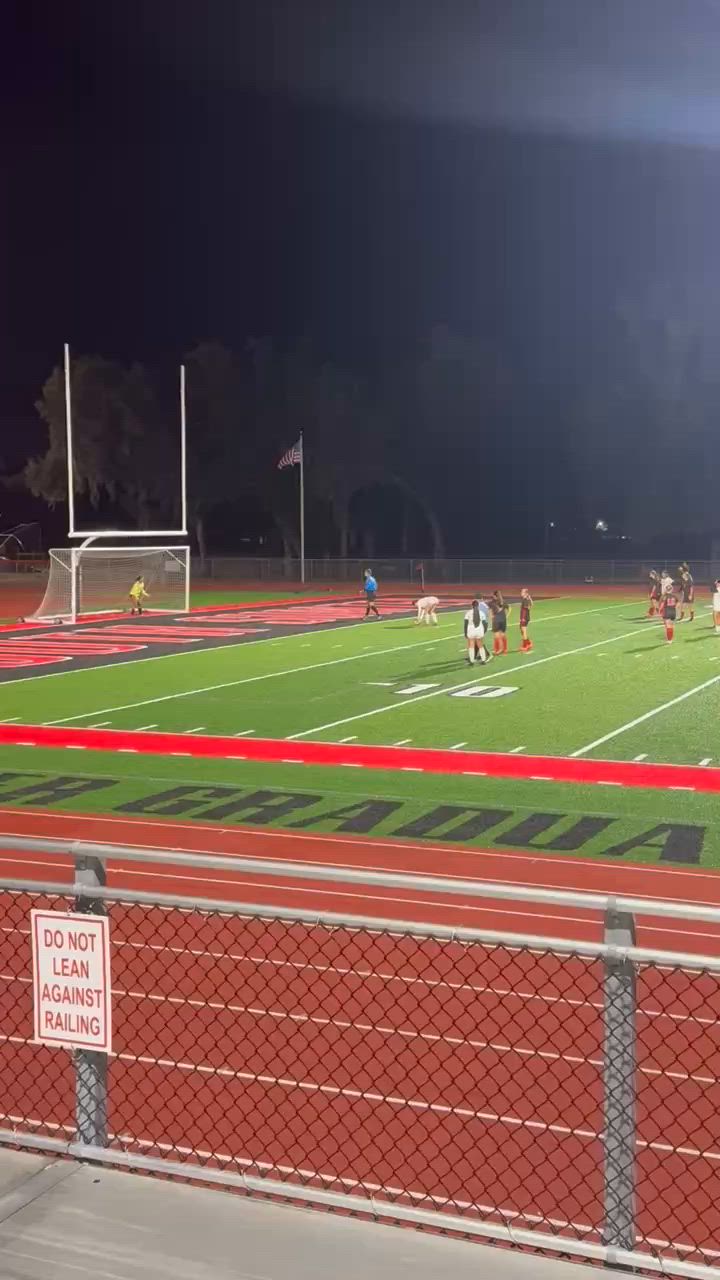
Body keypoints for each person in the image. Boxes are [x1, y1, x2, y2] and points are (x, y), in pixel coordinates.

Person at [464, 599, 491, 664]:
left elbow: (465, 624)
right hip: (479, 630)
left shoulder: (468, 613)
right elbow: (485, 623)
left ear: (472, 606)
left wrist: (465, 633)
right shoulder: (481, 613)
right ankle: (483, 660)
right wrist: (484, 631)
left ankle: (472, 660)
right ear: (478, 605)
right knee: (480, 645)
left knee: (471, 645)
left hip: (471, 630)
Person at [490, 589, 511, 655]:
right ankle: (505, 649)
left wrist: (491, 616)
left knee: (496, 635)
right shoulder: (503, 601)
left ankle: (498, 649)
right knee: (502, 634)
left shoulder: (493, 602)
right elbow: (509, 608)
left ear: (494, 596)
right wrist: (507, 616)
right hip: (503, 620)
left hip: (497, 620)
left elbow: (491, 610)